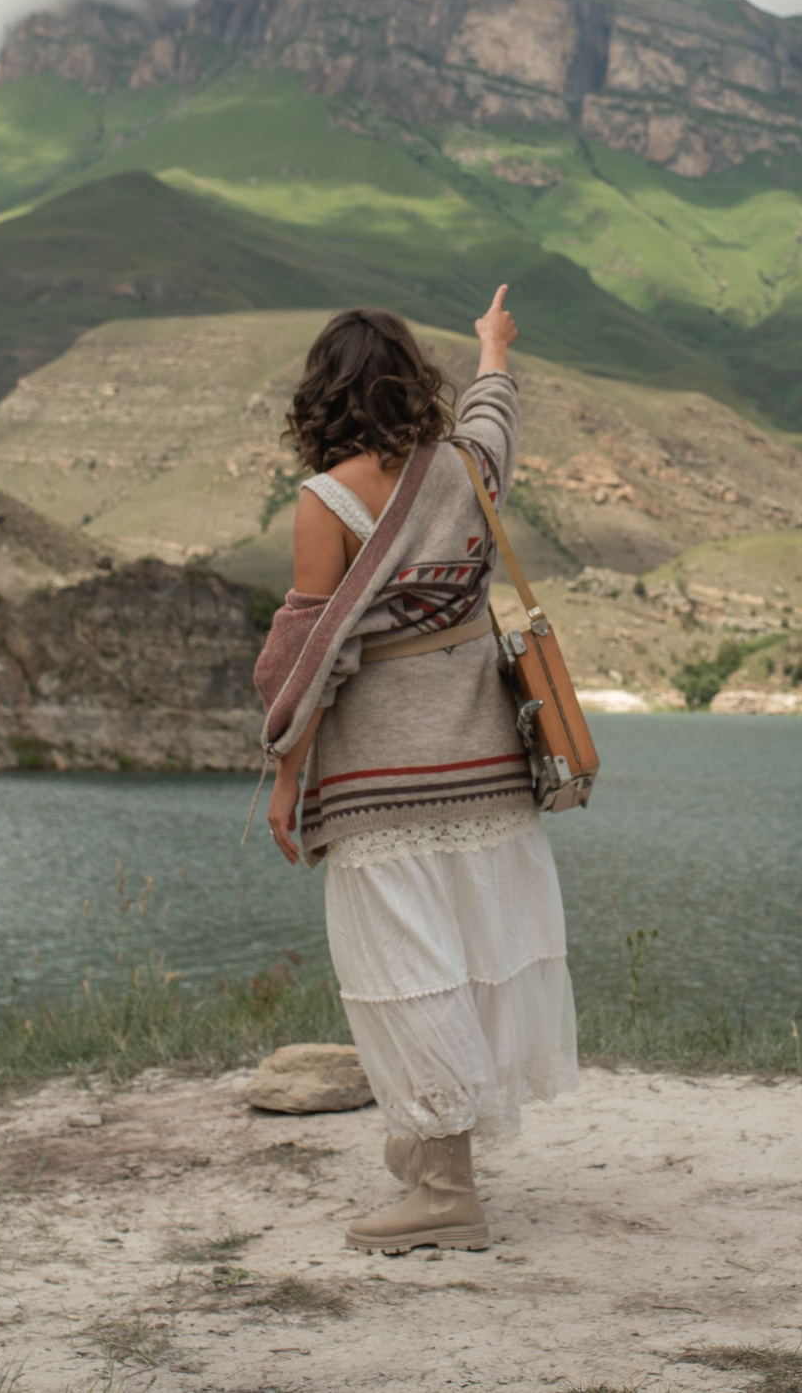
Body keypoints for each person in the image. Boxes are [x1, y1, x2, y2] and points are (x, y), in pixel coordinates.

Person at [251, 288, 578, 1254]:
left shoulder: (327, 501)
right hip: (486, 766)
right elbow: (494, 413)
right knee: (471, 958)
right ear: (407, 382)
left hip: (383, 779)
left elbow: (316, 657)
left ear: (323, 394)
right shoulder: (467, 472)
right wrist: (492, 344)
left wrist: (284, 779)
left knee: (407, 968)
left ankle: (444, 1189)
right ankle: (433, 1154)